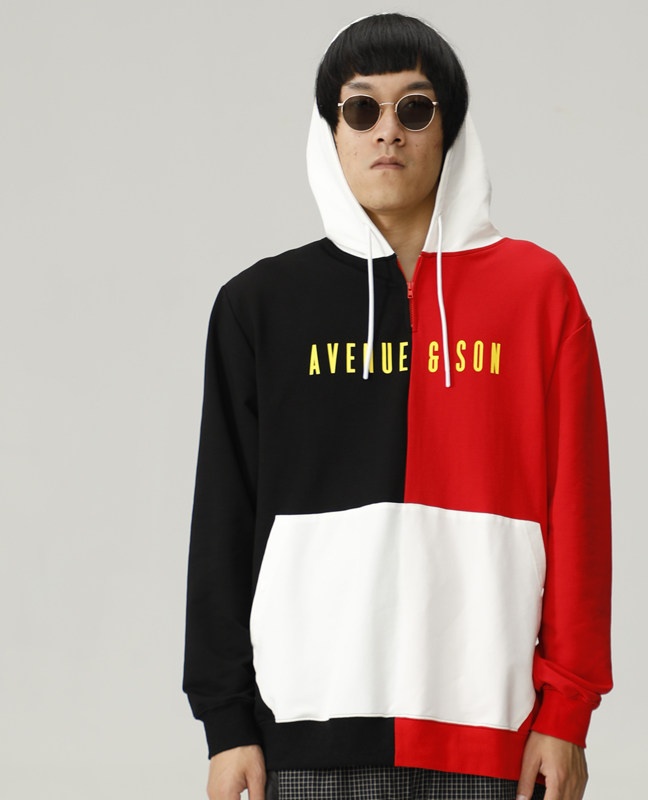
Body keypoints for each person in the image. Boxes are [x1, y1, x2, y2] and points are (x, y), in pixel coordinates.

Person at [183, 13, 612, 800]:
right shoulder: (259, 307)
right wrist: (227, 722)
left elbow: (579, 513)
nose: (388, 131)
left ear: (450, 130)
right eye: (361, 109)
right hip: (303, 732)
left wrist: (567, 712)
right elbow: (222, 522)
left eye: (415, 108)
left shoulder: (538, 296)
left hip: (494, 735)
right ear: (331, 131)